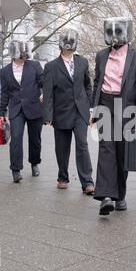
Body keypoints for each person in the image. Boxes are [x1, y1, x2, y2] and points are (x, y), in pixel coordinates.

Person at [91, 17, 136, 215]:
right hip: (105, 104)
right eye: (111, 32)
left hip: (128, 107)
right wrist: (93, 109)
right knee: (107, 149)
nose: (114, 36)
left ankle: (120, 196)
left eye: (118, 32)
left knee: (123, 152)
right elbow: (97, 83)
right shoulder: (100, 56)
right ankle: (106, 196)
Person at [43, 29, 95, 194]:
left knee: (82, 145)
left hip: (80, 111)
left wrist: (90, 108)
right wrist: (48, 115)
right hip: (61, 113)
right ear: (61, 45)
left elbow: (88, 84)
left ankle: (87, 182)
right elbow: (48, 93)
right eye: (66, 43)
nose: (70, 45)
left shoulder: (83, 62)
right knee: (62, 147)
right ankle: (63, 177)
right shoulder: (51, 67)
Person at [0, 41, 44, 183]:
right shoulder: (5, 71)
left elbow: (44, 82)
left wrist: (44, 94)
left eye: (25, 53)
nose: (24, 56)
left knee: (35, 139)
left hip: (35, 107)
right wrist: (1, 112)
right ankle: (16, 169)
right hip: (16, 108)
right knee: (16, 139)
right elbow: (5, 93)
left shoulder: (35, 66)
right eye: (21, 53)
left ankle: (34, 163)